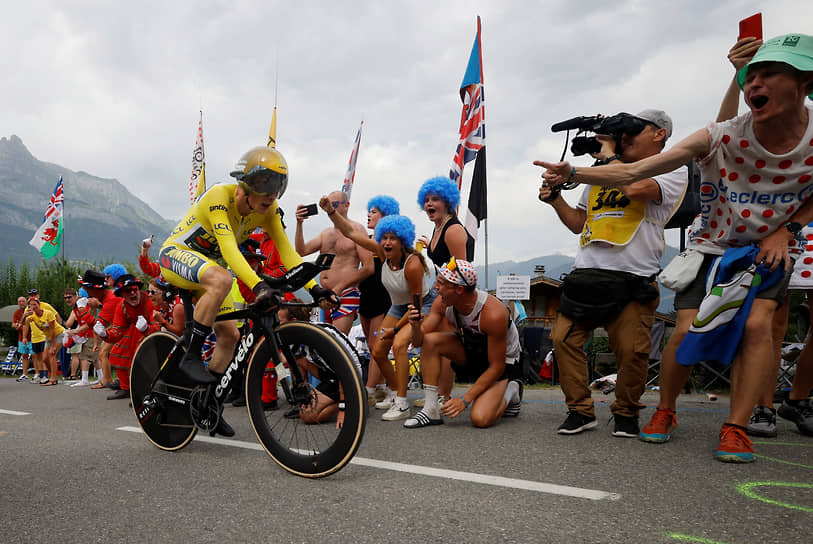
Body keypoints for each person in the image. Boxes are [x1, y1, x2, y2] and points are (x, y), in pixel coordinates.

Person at [535, 33, 813, 462]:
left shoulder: (678, 168)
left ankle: (728, 425)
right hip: (695, 247)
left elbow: (637, 182)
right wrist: (565, 185)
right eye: (751, 76)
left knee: (753, 331)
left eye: (770, 74)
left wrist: (789, 228)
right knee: (675, 332)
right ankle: (639, 410)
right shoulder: (722, 135)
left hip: (749, 250)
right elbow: (588, 213)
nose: (757, 83)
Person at [158, 146, 337, 436]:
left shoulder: (269, 212)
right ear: (246, 183)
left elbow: (289, 254)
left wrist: (316, 290)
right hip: (175, 254)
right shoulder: (220, 197)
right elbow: (229, 251)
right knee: (222, 279)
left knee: (231, 335)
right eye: (265, 184)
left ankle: (208, 403)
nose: (271, 194)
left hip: (210, 268)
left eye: (278, 186)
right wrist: (259, 285)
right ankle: (191, 354)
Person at [537, 108, 686, 438]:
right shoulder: (601, 173)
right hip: (586, 273)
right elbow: (579, 223)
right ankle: (579, 410)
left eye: (637, 130)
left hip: (632, 277)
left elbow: (633, 189)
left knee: (633, 352)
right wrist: (556, 200)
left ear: (659, 134)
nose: (627, 137)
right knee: (563, 339)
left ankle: (626, 411)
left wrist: (606, 156)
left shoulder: (673, 167)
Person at [319, 196, 436, 421]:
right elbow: (353, 234)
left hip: (420, 307)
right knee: (378, 351)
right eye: (385, 238)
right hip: (397, 306)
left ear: (403, 241)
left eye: (394, 238)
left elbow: (415, 308)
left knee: (400, 344)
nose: (388, 242)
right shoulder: (381, 252)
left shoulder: (412, 265)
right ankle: (395, 392)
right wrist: (331, 214)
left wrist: (394, 330)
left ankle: (402, 404)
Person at [404, 258, 523, 428]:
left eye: (441, 284)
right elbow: (419, 341)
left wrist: (464, 400)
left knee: (481, 419)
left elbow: (496, 367)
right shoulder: (443, 303)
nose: (435, 288)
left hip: (502, 363)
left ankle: (511, 390)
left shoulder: (493, 314)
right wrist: (415, 326)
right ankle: (430, 409)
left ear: (459, 289)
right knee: (430, 340)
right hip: (473, 350)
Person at [415, 176, 474, 408]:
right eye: (427, 200)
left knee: (446, 345)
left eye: (435, 199)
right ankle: (439, 392)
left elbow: (461, 268)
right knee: (436, 343)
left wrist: (449, 298)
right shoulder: (439, 226)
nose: (429, 204)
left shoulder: (453, 230)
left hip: (453, 294)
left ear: (448, 202)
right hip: (443, 292)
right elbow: (443, 260)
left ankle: (444, 395)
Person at [295, 190, 374, 334]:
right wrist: (299, 224)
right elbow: (302, 251)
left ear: (347, 205)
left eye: (335, 204)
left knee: (336, 342)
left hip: (346, 293)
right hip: (325, 296)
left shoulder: (357, 230)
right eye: (327, 205)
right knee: (325, 344)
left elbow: (368, 267)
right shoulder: (326, 233)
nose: (330, 208)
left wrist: (339, 287)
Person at [358, 195, 399, 405]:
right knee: (371, 346)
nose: (369, 214)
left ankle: (369, 390)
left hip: (381, 299)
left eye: (374, 212)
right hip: (365, 297)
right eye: (369, 211)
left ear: (385, 215)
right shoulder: (370, 240)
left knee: (377, 347)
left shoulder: (385, 241)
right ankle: (383, 387)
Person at [93, 274, 159, 400]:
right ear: (122, 294)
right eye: (129, 291)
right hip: (133, 331)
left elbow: (158, 324)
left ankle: (145, 392)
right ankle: (126, 388)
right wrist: (105, 334)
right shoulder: (121, 307)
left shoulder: (148, 300)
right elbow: (117, 332)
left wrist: (147, 329)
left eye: (136, 289)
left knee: (141, 357)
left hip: (153, 333)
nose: (134, 293)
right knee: (118, 353)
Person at [22, 297, 66, 386]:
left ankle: (53, 379)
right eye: (31, 305)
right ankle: (53, 376)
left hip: (59, 334)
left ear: (39, 305)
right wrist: (24, 337)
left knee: (52, 354)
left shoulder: (47, 313)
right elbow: (24, 324)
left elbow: (53, 330)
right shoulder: (32, 316)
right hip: (48, 337)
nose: (33, 306)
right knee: (44, 358)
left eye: (35, 304)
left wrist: (53, 345)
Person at [12, 296, 33, 382]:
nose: (21, 303)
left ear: (26, 302)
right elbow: (13, 324)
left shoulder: (31, 311)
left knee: (35, 356)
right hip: (21, 338)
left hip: (32, 337)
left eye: (23, 301)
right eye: (19, 301)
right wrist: (16, 325)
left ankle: (38, 374)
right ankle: (24, 374)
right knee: (24, 355)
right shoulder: (17, 312)